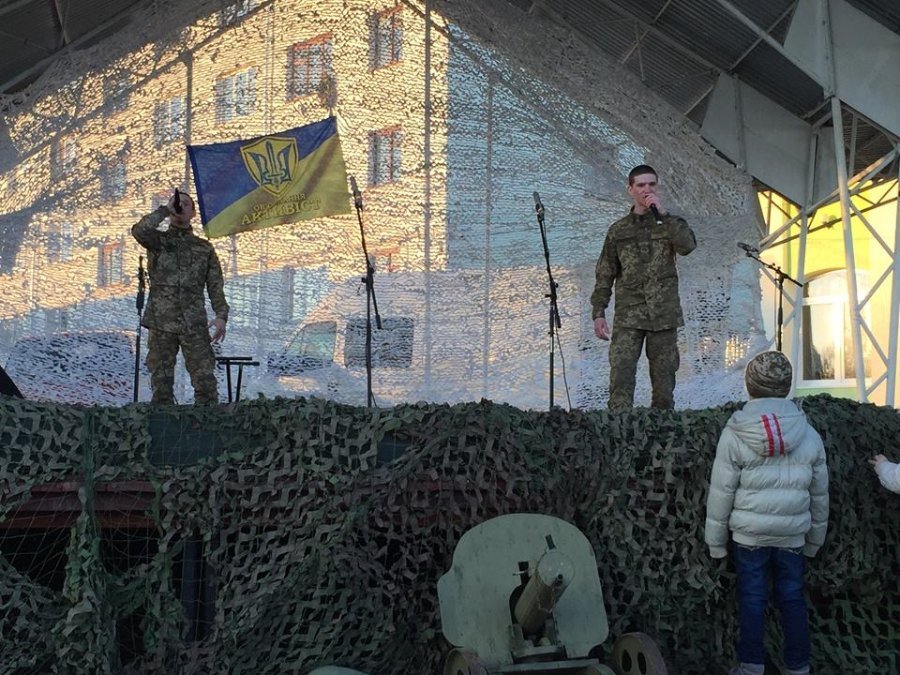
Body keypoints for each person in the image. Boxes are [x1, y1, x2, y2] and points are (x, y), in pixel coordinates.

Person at [705, 351, 829, 675]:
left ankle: (751, 666)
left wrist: (716, 543)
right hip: (793, 537)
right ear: (787, 387)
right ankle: (798, 667)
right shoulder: (809, 434)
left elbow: (721, 491)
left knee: (752, 598)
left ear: (750, 386)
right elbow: (820, 495)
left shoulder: (735, 432)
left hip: (749, 537)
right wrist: (815, 540)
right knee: (792, 598)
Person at [590, 164, 696, 410]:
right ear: (630, 189)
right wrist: (598, 312)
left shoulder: (670, 223)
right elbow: (605, 272)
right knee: (621, 377)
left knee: (664, 385)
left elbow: (687, 247)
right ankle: (620, 427)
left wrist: (664, 215)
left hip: (663, 315)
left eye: (652, 184)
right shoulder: (618, 230)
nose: (647, 189)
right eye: (641, 185)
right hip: (629, 316)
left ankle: (661, 428)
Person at [131, 190, 229, 404]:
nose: (180, 206)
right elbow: (139, 230)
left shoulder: (203, 248)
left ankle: (205, 422)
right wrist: (165, 210)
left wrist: (221, 315)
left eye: (185, 204)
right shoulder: (158, 241)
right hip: (161, 321)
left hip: (193, 323)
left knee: (205, 381)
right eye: (177, 203)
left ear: (193, 213)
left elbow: (215, 285)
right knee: (161, 384)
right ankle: (164, 423)